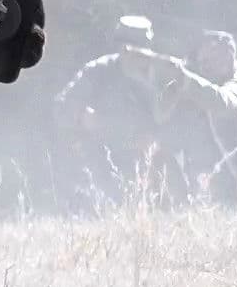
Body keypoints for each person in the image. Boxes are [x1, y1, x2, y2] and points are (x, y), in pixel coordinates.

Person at [134, 30, 237, 204]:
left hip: (235, 181)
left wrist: (184, 80)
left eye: (212, 60)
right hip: (198, 176)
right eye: (203, 61)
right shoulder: (199, 85)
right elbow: (162, 117)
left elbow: (221, 101)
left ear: (229, 58)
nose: (205, 66)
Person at [53, 15, 168, 204]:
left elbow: (181, 119)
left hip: (149, 158)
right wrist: (81, 115)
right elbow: (61, 108)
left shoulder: (162, 74)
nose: (130, 51)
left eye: (138, 46)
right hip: (102, 154)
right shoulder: (99, 70)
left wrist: (157, 138)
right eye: (125, 45)